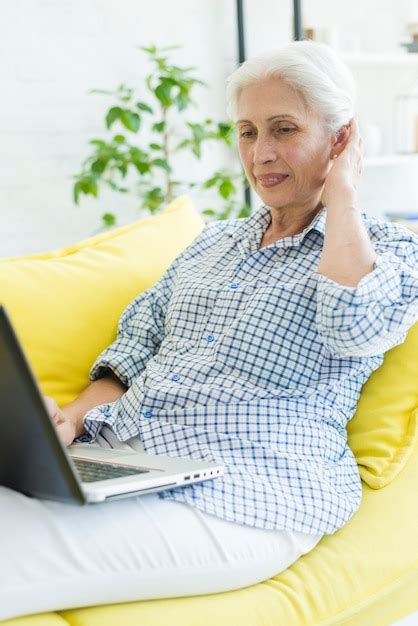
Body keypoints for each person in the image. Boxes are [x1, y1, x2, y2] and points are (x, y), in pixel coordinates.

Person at [1, 39, 418, 621]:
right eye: (247, 132)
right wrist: (68, 422)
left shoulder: (391, 250)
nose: (261, 153)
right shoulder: (212, 244)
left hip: (248, 492)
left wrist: (343, 191)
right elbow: (135, 347)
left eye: (284, 129)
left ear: (341, 138)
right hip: (122, 461)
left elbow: (356, 325)